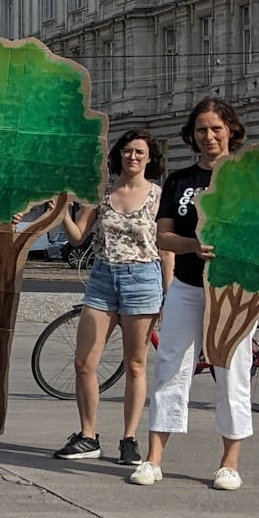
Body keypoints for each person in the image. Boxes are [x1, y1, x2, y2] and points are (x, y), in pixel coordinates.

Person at [135, 98, 259, 491]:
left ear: (231, 131)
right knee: (171, 366)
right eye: (202, 129)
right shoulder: (179, 181)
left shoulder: (250, 178)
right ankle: (153, 458)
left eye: (216, 129)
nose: (209, 136)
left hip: (235, 289)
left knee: (233, 370)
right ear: (192, 135)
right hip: (189, 286)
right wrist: (191, 247)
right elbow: (163, 235)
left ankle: (229, 462)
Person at [52, 130, 169, 465]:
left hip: (143, 279)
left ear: (149, 158)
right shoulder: (101, 195)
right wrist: (61, 210)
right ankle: (88, 436)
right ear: (118, 155)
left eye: (140, 152)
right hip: (103, 278)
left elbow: (165, 248)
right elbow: (76, 237)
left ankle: (129, 439)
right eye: (127, 151)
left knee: (136, 364)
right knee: (84, 362)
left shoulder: (158, 196)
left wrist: (167, 290)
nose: (132, 157)